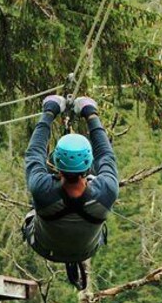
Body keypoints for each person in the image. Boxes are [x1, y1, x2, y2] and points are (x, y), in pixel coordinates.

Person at [22, 95, 119, 289]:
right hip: (87, 250)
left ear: (57, 163)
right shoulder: (106, 191)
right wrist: (90, 113)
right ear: (88, 163)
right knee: (93, 182)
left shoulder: (42, 190)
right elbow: (106, 155)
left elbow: (35, 153)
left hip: (45, 247)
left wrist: (49, 111)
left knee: (40, 194)